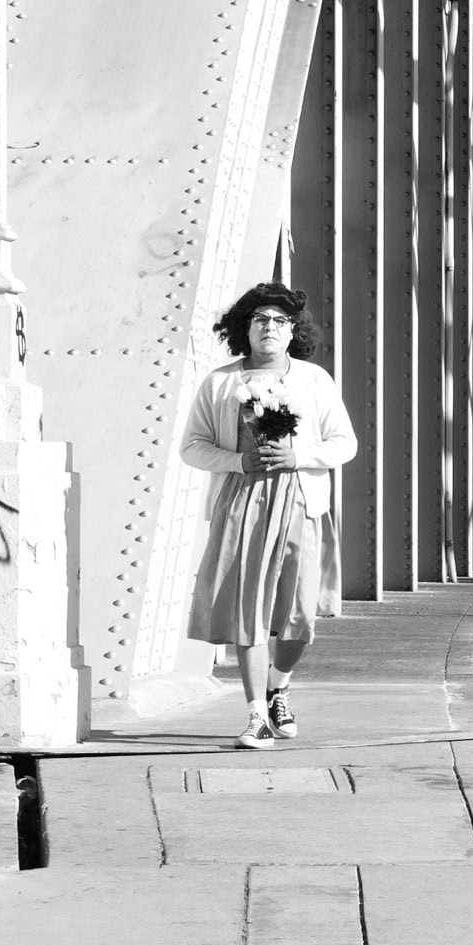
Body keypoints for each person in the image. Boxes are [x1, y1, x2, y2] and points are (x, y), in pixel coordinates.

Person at [179, 283, 357, 749]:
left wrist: (299, 457)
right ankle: (257, 715)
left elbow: (345, 443)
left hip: (300, 501)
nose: (270, 328)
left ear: (294, 330)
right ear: (246, 327)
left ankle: (279, 685)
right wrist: (238, 461)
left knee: (300, 613)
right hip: (242, 502)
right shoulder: (220, 382)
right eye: (260, 319)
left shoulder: (314, 380)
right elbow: (192, 446)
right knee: (248, 610)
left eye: (280, 320)